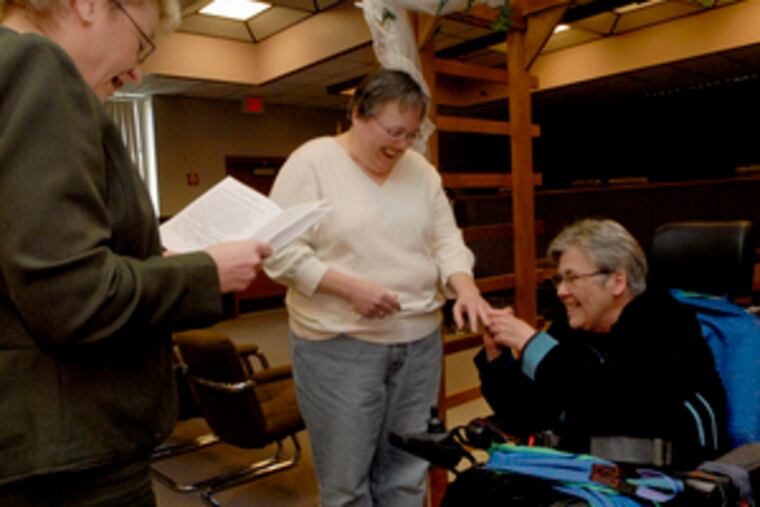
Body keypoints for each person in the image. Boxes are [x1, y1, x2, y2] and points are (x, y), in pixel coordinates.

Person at [0, 0, 271, 504]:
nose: (137, 66)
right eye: (141, 40)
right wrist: (207, 272)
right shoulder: (40, 67)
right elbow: (72, 299)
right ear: (89, 5)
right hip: (71, 446)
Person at [264, 68, 490, 507]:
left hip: (419, 342)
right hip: (339, 346)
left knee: (406, 474)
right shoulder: (312, 163)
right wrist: (350, 289)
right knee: (347, 483)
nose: (402, 145)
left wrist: (465, 288)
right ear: (357, 115)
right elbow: (277, 250)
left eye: (412, 133)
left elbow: (446, 241)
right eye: (393, 132)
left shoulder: (420, 172)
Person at [476, 218, 727, 466]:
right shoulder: (572, 328)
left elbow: (613, 401)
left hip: (667, 480)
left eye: (572, 278)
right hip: (584, 472)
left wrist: (532, 344)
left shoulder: (667, 323)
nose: (561, 291)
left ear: (617, 281)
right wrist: (497, 359)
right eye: (559, 280)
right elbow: (528, 413)